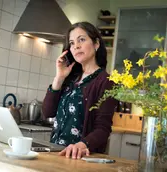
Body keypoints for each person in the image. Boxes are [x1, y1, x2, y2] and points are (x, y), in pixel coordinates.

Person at [42, 21, 117, 159]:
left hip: (80, 157)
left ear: (96, 44)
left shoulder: (107, 82)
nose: (76, 46)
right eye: (71, 43)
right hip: (56, 153)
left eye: (81, 40)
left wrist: (82, 145)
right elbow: (47, 112)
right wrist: (59, 78)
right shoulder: (70, 78)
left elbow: (103, 129)